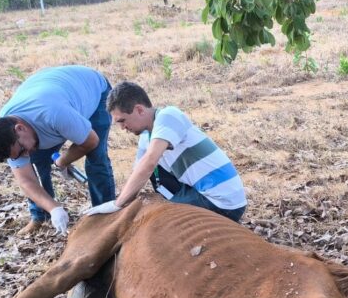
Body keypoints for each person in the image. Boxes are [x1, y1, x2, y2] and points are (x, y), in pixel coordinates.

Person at [0, 65, 117, 235]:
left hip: (93, 93)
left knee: (96, 157)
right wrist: (54, 208)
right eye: (19, 155)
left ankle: (104, 215)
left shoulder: (54, 113)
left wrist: (63, 161)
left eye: (23, 149)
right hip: (50, 94)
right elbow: (26, 181)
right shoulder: (5, 134)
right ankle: (41, 214)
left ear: (20, 128)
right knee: (38, 162)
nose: (26, 154)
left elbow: (90, 141)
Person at [84, 82, 246, 222]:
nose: (122, 128)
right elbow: (138, 172)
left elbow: (149, 162)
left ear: (139, 110)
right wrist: (120, 204)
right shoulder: (146, 137)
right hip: (196, 190)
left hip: (220, 201)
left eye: (122, 120)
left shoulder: (169, 116)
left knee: (155, 222)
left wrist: (116, 204)